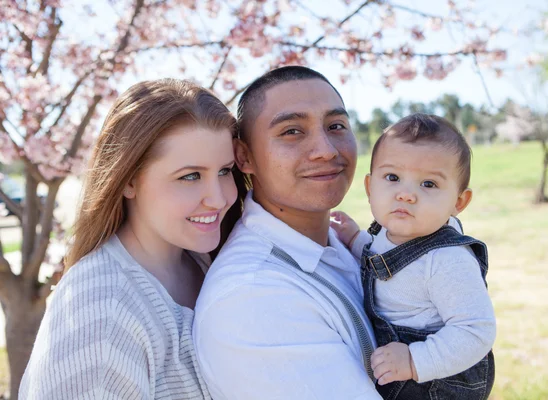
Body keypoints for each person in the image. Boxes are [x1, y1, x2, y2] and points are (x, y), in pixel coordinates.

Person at [19, 78, 246, 399]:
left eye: (224, 171)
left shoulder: (206, 261)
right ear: (128, 181)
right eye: (190, 176)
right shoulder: (102, 316)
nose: (219, 198)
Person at [193, 66, 382, 399]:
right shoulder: (252, 299)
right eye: (292, 131)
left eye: (336, 126)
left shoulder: (343, 243)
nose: (326, 149)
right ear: (244, 156)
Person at [331, 113, 496, 400]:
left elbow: (476, 330)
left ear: (459, 202)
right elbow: (381, 262)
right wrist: (355, 239)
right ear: (370, 188)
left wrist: (414, 360)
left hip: (436, 383)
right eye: (392, 177)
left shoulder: (446, 260)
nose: (406, 194)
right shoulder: (387, 231)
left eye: (428, 184)